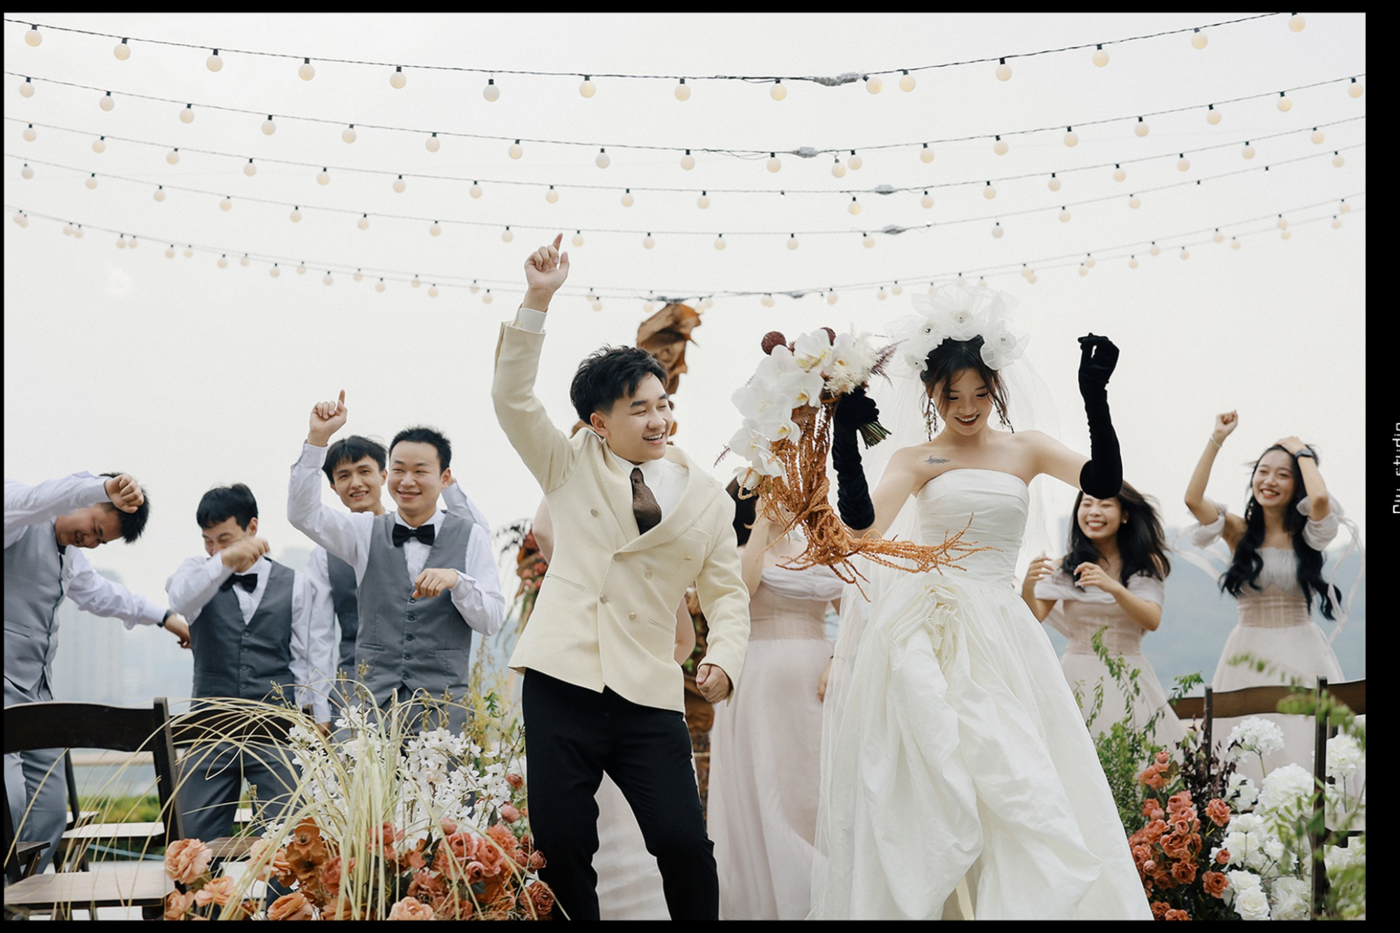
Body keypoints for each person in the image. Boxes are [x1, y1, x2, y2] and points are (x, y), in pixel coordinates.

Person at [812, 284, 1151, 920]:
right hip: (928, 630)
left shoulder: (1028, 448)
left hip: (1001, 629)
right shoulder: (917, 457)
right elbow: (862, 531)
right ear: (931, 395)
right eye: (951, 396)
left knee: (1019, 777)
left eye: (979, 393)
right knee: (936, 782)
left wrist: (1095, 397)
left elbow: (1104, 481)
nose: (966, 408)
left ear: (996, 388)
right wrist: (845, 448)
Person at [491, 234, 750, 921]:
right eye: (640, 408)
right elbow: (512, 398)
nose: (659, 418)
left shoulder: (708, 499)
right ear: (599, 422)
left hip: (648, 689)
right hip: (563, 680)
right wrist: (538, 298)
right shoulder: (569, 463)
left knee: (684, 843)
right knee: (562, 845)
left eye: (662, 403)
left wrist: (724, 658)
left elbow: (727, 593)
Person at [4, 470, 189, 872]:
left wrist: (165, 617)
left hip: (36, 694)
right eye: (95, 529)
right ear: (82, 500)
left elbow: (104, 595)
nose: (89, 541)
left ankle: (20, 895)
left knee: (50, 811)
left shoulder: (70, 557)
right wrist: (103, 487)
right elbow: (37, 497)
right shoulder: (18, 519)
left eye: (99, 541)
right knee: (9, 799)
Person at [288, 407, 505, 735]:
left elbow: (491, 621)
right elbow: (303, 514)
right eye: (399, 470)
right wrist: (317, 439)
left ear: (445, 478)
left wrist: (458, 582)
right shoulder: (363, 531)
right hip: (370, 710)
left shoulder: (471, 535)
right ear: (388, 474)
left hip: (441, 716)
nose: (407, 481)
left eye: (420, 471)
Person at [529, 495, 695, 921]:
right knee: (563, 841)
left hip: (640, 709)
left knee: (682, 840)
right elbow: (544, 530)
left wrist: (641, 673)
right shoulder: (574, 561)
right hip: (566, 700)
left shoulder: (660, 572)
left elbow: (684, 639)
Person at [166, 483, 336, 843]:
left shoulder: (297, 585)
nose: (214, 549)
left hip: (276, 729)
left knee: (290, 842)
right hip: (209, 731)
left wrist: (318, 714)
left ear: (252, 527)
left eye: (224, 539)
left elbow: (307, 655)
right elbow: (180, 600)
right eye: (208, 541)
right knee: (192, 841)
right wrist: (223, 561)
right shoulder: (196, 573)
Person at [1182, 411, 1346, 779]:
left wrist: (1301, 451)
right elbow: (1193, 499)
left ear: (1297, 484)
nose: (1269, 481)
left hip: (1302, 650)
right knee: (1242, 749)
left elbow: (1320, 497)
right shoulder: (1237, 530)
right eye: (1263, 471)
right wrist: (1217, 438)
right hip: (1247, 651)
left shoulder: (1309, 534)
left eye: (1282, 475)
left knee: (1305, 743)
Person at [708, 485, 842, 920]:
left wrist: (840, 659)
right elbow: (740, 594)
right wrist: (762, 527)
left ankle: (832, 895)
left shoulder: (816, 547)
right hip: (761, 683)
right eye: (769, 491)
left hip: (821, 680)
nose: (782, 498)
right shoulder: (734, 552)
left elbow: (855, 611)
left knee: (817, 789)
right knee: (772, 789)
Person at [1021, 482, 1185, 748]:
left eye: (1105, 504)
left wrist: (1113, 587)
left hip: (1128, 673)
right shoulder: (1066, 567)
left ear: (1124, 515)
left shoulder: (1144, 564)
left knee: (1136, 751)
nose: (1094, 511)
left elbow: (1151, 619)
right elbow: (1033, 618)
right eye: (1087, 504)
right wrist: (1028, 587)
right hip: (1076, 674)